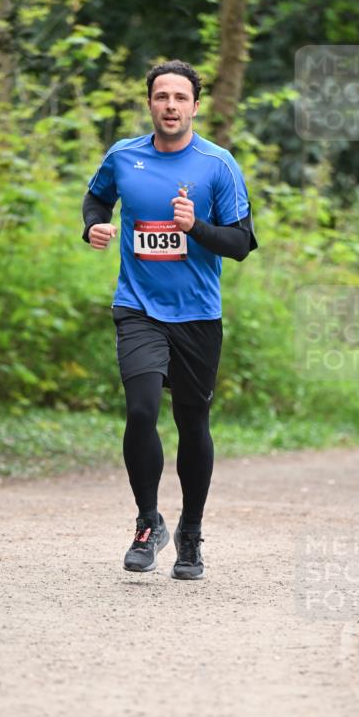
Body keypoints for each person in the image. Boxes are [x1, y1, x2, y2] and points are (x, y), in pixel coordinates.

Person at [82, 60, 258, 580]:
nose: (171, 106)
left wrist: (195, 226)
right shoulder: (124, 156)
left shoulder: (217, 165)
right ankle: (147, 523)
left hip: (197, 315)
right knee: (141, 411)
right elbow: (96, 198)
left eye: (181, 97)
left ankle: (190, 533)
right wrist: (93, 226)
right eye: (162, 97)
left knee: (192, 421)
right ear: (150, 104)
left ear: (195, 106)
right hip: (138, 307)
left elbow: (241, 243)